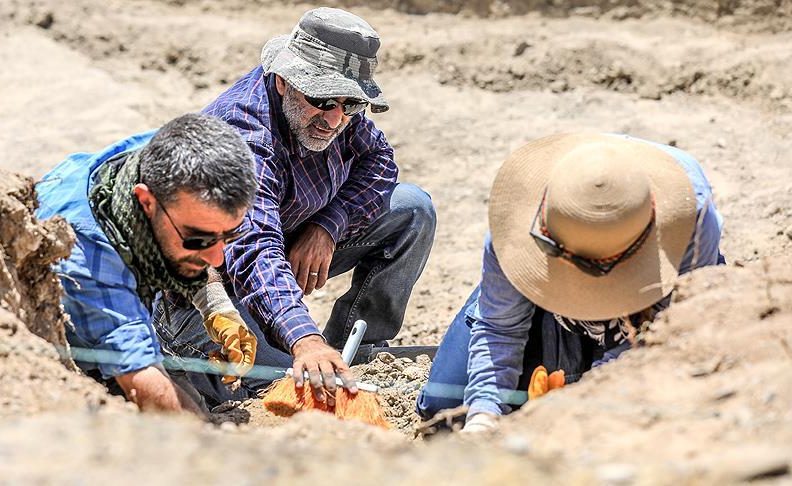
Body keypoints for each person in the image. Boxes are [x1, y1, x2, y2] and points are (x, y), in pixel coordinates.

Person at [158, 7, 436, 407]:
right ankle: (190, 357)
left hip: (283, 244)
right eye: (323, 101)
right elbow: (254, 248)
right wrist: (304, 340)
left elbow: (379, 163)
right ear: (285, 82)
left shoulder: (336, 111)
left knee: (412, 209)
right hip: (206, 286)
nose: (336, 119)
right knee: (285, 386)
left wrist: (327, 227)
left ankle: (357, 349)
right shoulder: (244, 135)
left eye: (351, 104)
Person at [415, 133, 725, 432]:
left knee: (616, 415)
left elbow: (664, 333)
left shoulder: (690, 218)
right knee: (445, 411)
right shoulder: (518, 217)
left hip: (638, 316)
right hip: (543, 305)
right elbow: (500, 327)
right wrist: (483, 412)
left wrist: (584, 396)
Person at [36, 113, 260, 415]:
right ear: (146, 201)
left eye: (230, 234)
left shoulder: (169, 157)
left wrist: (215, 304)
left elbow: (192, 230)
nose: (218, 259)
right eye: (199, 240)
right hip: (72, 327)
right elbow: (142, 378)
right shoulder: (87, 259)